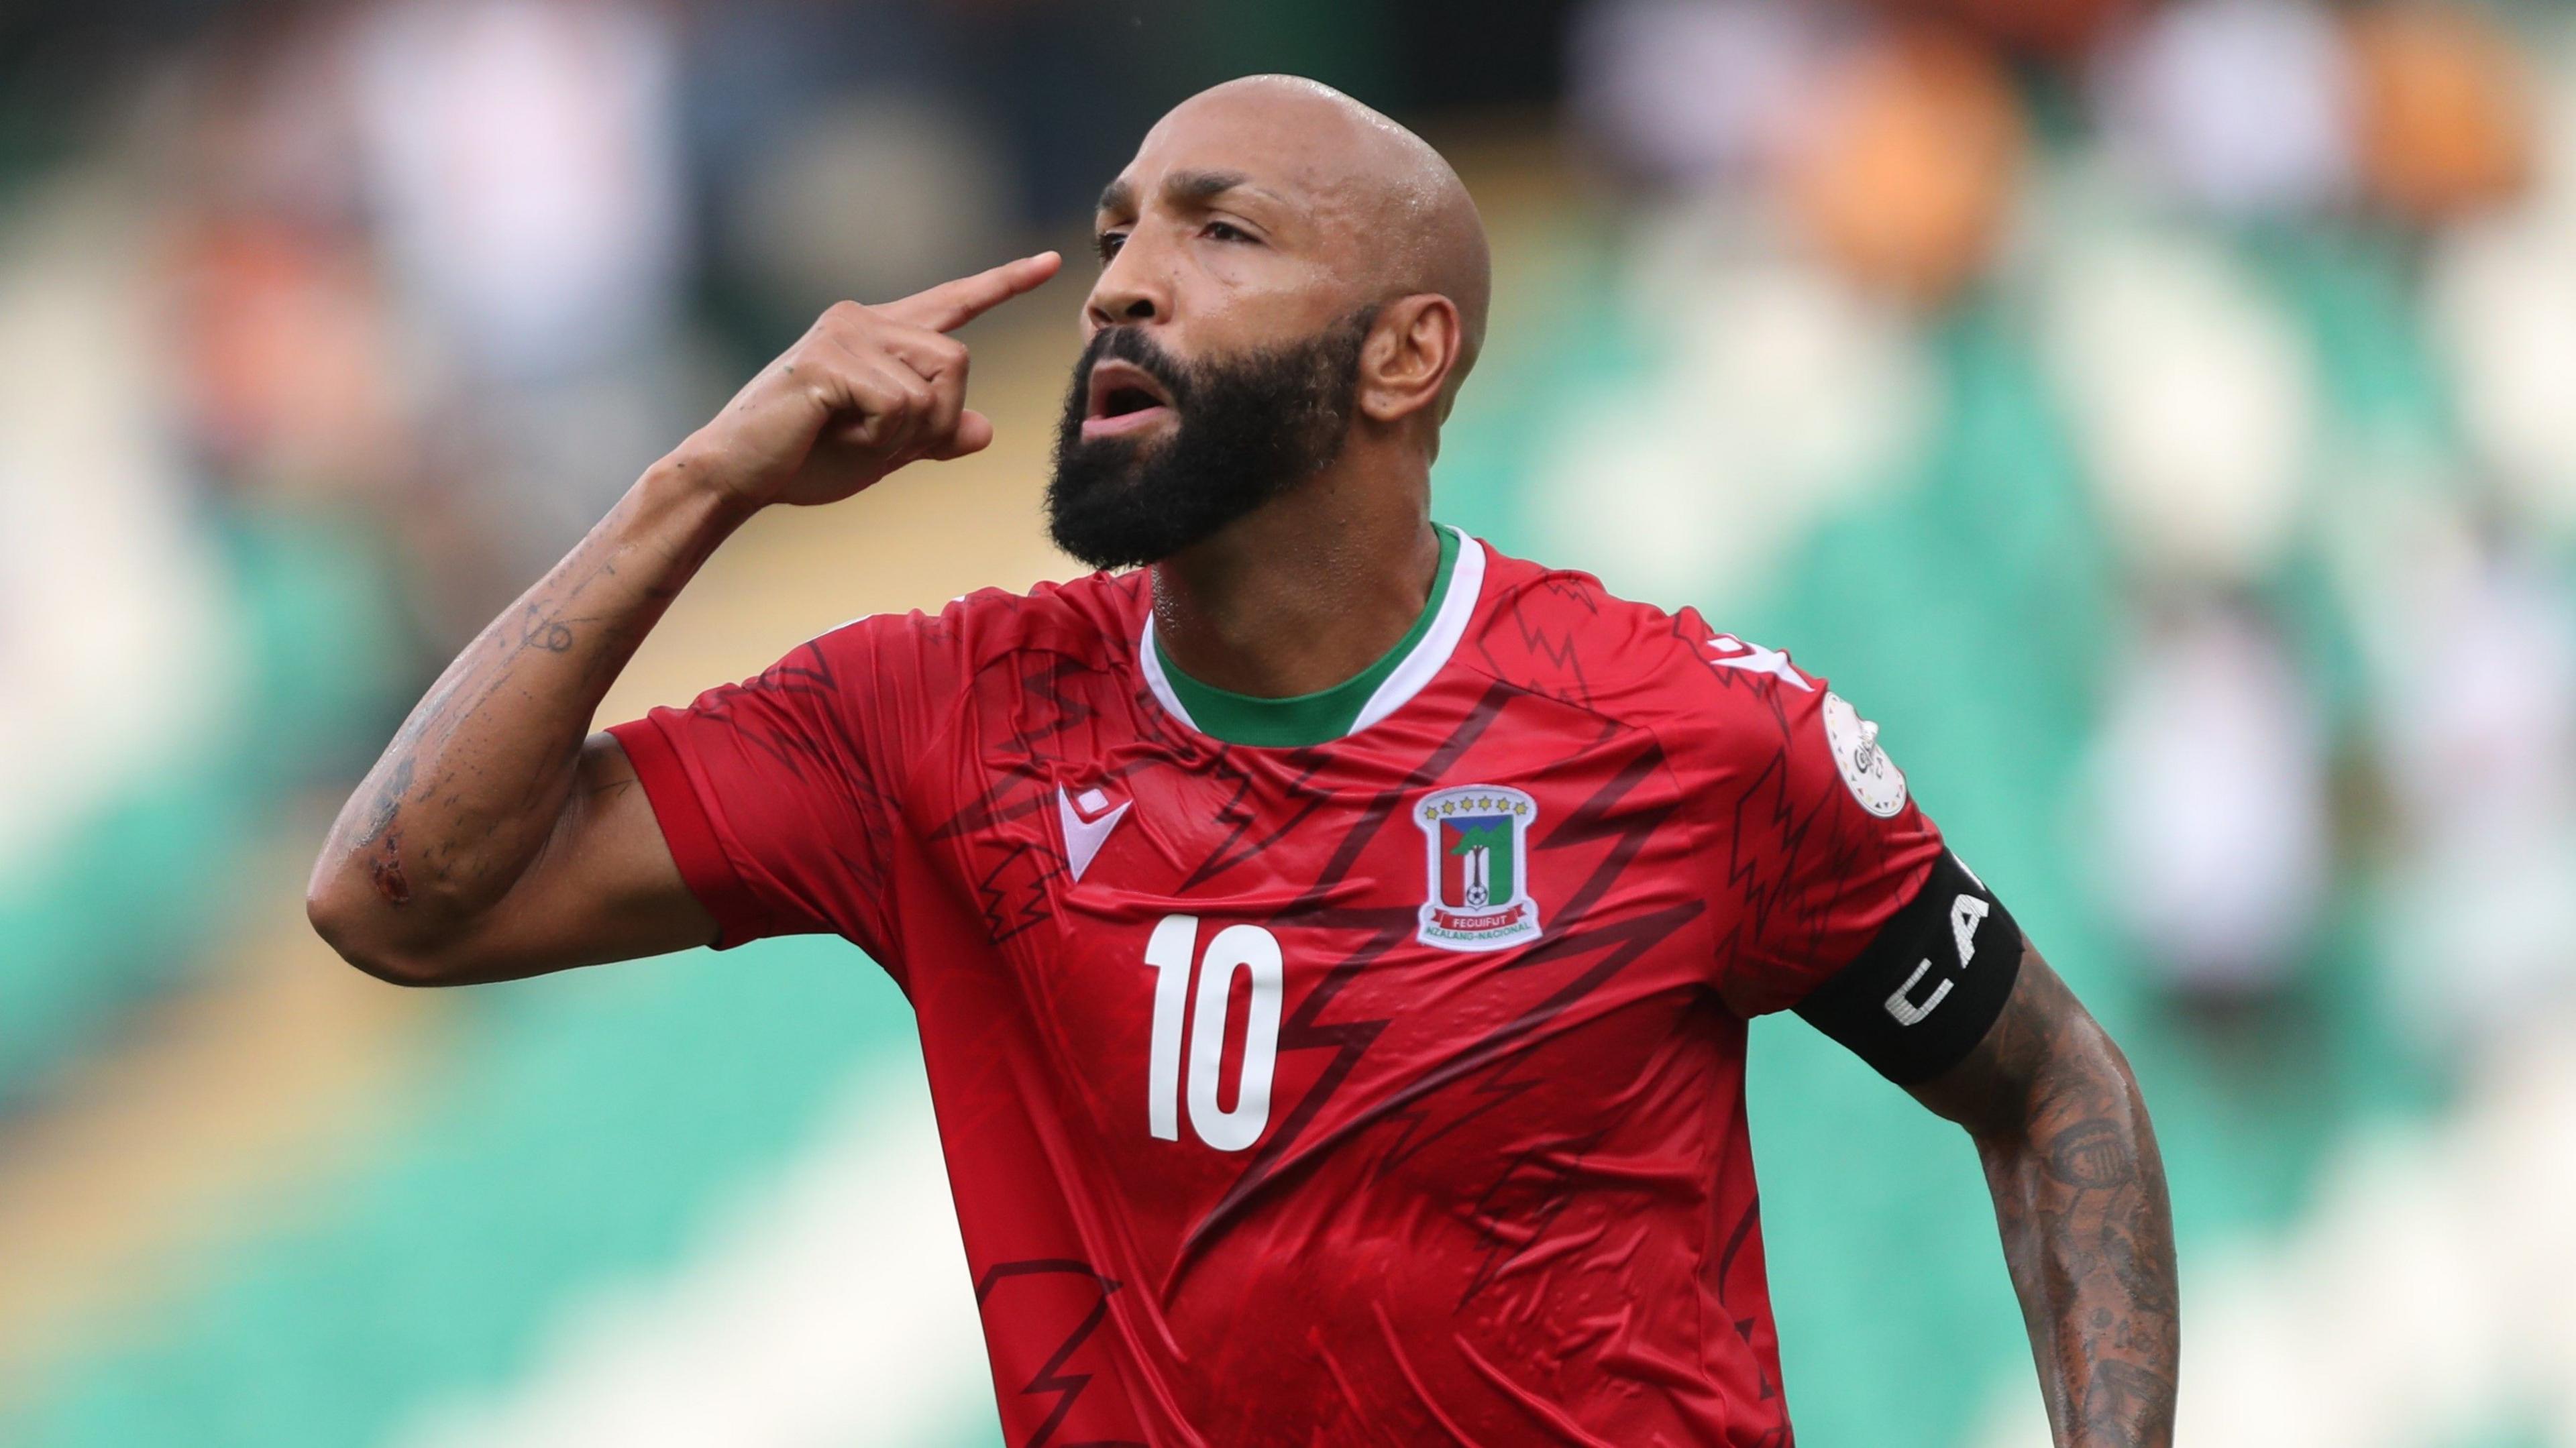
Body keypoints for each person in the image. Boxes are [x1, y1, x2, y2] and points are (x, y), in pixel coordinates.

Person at [309, 74, 2177, 1447]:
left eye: (1219, 229)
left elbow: (2052, 1090)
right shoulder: (942, 723)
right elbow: (397, 899)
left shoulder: (1690, 737)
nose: (1122, 281)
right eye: (1117, 225)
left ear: (1404, 357)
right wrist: (695, 485)